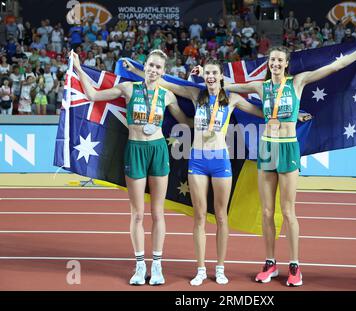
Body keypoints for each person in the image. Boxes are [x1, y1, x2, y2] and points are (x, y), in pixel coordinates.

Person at [224, 37, 356, 286]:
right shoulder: (260, 88)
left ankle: (295, 265)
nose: (275, 63)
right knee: (265, 212)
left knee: (288, 211)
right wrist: (204, 76)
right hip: (266, 148)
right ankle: (270, 262)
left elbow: (333, 67)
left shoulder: (297, 82)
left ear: (286, 64)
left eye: (279, 60)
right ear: (268, 64)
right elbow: (227, 85)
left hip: (287, 148)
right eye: (272, 59)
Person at [125, 57, 268, 286]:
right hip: (198, 161)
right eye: (207, 73)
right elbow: (162, 82)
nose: (211, 77)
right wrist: (137, 70)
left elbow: (260, 112)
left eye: (214, 73)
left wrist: (293, 116)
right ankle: (201, 269)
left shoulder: (231, 99)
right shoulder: (195, 95)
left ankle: (220, 268)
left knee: (221, 216)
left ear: (221, 76)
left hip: (220, 160)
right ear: (203, 76)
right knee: (200, 217)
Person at [72, 49, 192, 286]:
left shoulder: (167, 96)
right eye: (150, 65)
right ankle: (140, 265)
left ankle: (157, 265)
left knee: (158, 213)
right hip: (135, 149)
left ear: (163, 72)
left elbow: (185, 121)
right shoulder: (129, 89)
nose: (154, 70)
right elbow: (94, 95)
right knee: (137, 214)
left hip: (157, 151)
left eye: (159, 67)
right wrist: (77, 67)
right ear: (144, 66)